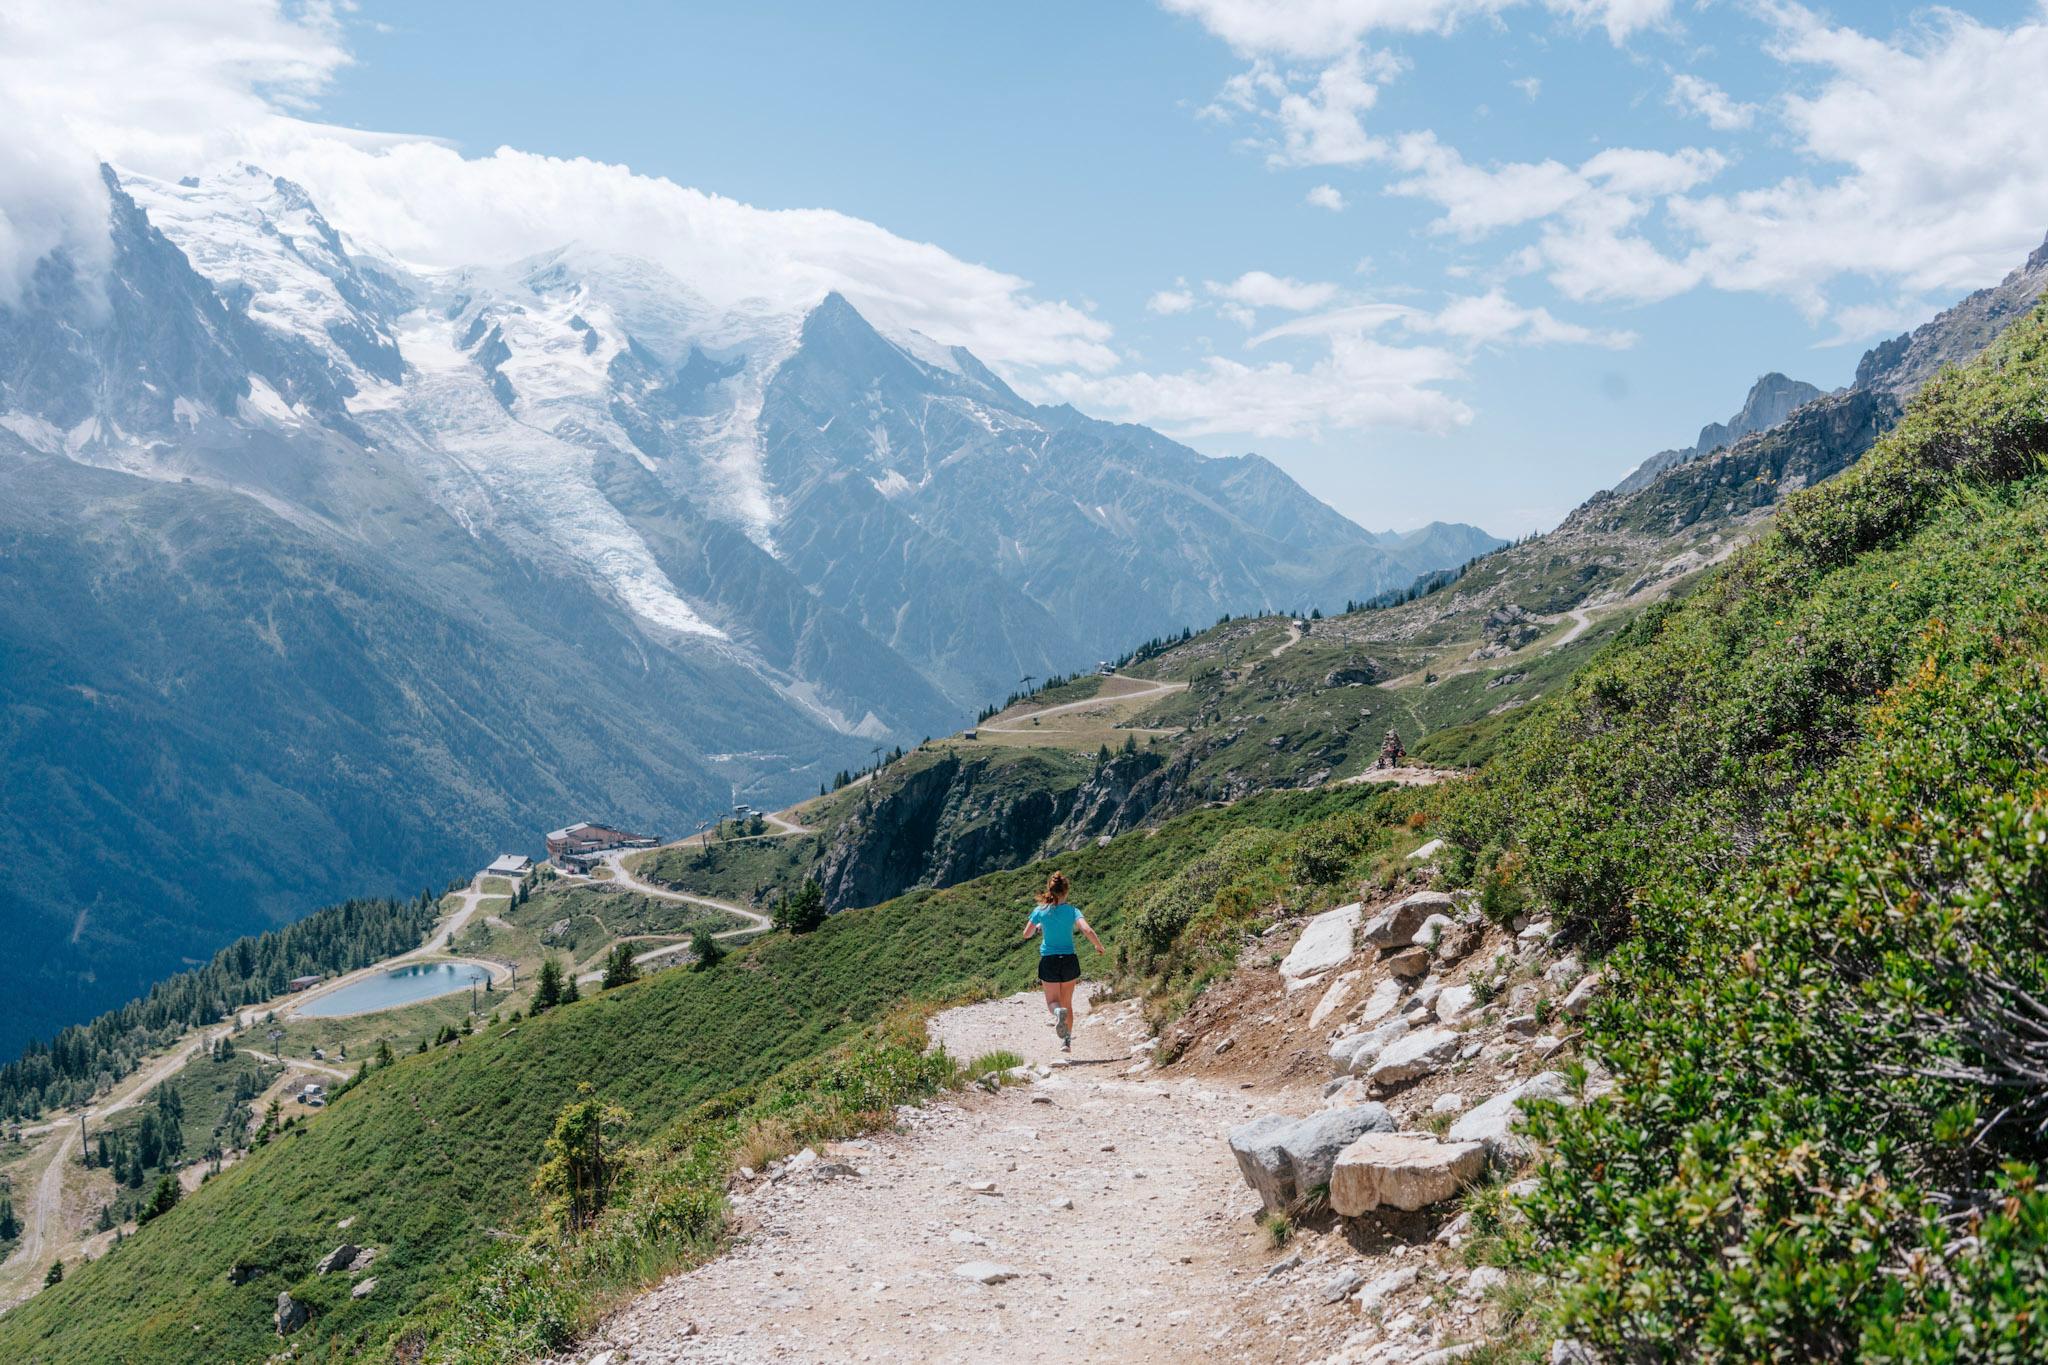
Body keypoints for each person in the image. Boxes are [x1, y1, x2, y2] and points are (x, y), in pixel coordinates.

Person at [1021, 871, 1103, 1051]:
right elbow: (1087, 930)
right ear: (1066, 891)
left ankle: (1057, 1013)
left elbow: (1026, 934)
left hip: (1049, 960)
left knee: (1053, 1003)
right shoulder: (1073, 911)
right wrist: (1098, 946)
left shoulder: (1040, 911)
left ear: (1050, 890)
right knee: (1068, 1003)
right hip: (1069, 961)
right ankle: (1066, 1041)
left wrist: (1040, 927)